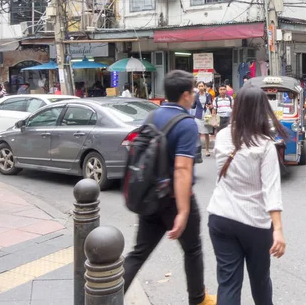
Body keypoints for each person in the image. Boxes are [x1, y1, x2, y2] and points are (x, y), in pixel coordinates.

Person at [123, 70, 216, 305]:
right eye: (193, 91)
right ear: (185, 95)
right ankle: (198, 299)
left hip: (151, 195)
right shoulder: (186, 124)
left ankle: (107, 296)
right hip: (176, 199)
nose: (195, 94)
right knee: (193, 250)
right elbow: (182, 169)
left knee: (139, 252)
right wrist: (183, 212)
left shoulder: (152, 117)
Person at [208, 86, 287, 305]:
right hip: (255, 223)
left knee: (228, 283)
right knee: (260, 281)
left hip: (220, 216)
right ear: (262, 110)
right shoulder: (265, 145)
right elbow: (271, 189)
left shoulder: (222, 136)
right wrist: (278, 230)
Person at [192, 81, 213, 157]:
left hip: (207, 114)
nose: (201, 87)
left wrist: (211, 106)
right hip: (198, 115)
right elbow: (193, 106)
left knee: (207, 133)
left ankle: (207, 150)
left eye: (202, 86)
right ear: (197, 87)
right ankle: (198, 150)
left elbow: (211, 104)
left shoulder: (208, 95)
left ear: (204, 87)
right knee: (198, 133)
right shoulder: (195, 96)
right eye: (199, 86)